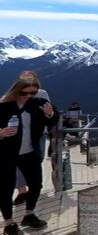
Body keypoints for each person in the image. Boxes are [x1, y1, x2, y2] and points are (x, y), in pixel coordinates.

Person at [1, 77, 59, 234]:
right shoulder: (4, 106)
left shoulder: (38, 103)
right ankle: (9, 223)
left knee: (36, 184)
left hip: (30, 152)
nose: (28, 96)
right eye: (24, 92)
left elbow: (53, 120)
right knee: (5, 189)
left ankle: (29, 214)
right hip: (6, 154)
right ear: (15, 90)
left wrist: (50, 114)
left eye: (32, 92)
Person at [13, 72, 52, 208]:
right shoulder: (14, 94)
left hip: (37, 133)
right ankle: (22, 191)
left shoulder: (41, 94)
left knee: (37, 159)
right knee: (17, 164)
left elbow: (48, 111)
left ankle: (33, 186)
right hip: (18, 135)